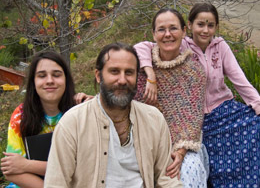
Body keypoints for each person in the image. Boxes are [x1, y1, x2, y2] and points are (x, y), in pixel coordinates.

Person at [135, 3, 260, 187]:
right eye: (200, 24)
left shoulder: (221, 47)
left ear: (216, 27)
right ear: (188, 26)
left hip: (223, 108)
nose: (205, 30)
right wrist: (150, 74)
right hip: (198, 118)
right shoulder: (179, 44)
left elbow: (240, 80)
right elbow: (141, 47)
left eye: (210, 25)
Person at [44, 42, 183, 188]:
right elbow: (56, 183)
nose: (122, 80)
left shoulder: (154, 119)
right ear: (98, 76)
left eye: (129, 72)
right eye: (114, 72)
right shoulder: (73, 122)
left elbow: (167, 181)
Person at [134, 8, 209, 188]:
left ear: (184, 31)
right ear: (153, 34)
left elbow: (193, 119)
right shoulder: (140, 66)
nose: (167, 34)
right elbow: (121, 94)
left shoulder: (194, 71)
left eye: (173, 28)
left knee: (189, 168)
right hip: (143, 142)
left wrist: (180, 152)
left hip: (183, 145)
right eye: (161, 29)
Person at [0, 51, 76, 188]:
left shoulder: (80, 112)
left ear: (66, 79)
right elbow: (10, 170)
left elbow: (82, 168)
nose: (49, 80)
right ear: (33, 82)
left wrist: (27, 165)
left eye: (56, 75)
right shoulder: (20, 115)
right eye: (41, 76)